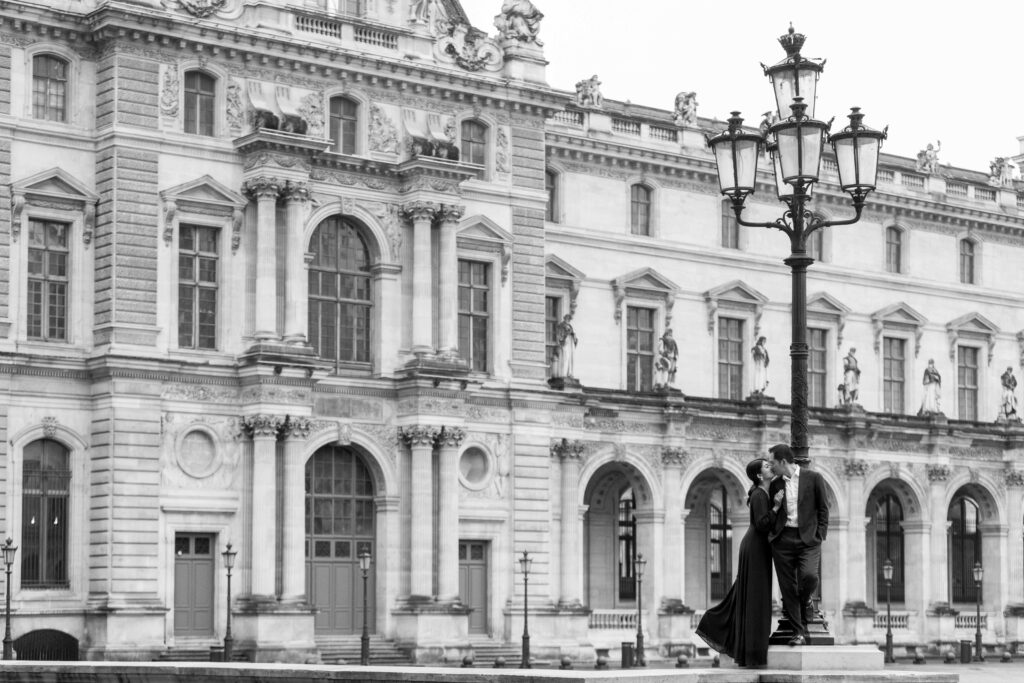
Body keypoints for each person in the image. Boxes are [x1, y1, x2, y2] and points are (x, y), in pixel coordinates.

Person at [696, 458, 779, 668]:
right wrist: (777, 507)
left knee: (750, 594)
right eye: (767, 466)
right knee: (755, 596)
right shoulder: (760, 494)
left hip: (757, 547)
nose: (771, 467)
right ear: (760, 475)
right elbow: (761, 524)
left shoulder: (762, 492)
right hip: (755, 547)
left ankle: (747, 646)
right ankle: (750, 650)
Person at [767, 443, 829, 646]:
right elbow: (772, 511)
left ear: (783, 461)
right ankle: (798, 632)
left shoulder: (814, 478)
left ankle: (806, 600)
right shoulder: (775, 484)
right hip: (783, 539)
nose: (770, 466)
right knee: (787, 587)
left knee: (810, 576)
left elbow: (823, 509)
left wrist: (819, 535)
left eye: (772, 463)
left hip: (808, 540)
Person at [553, 314, 577, 379]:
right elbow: (559, 336)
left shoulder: (570, 326)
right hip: (565, 343)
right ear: (565, 318)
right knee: (565, 358)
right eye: (568, 318)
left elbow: (573, 335)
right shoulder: (561, 326)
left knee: (570, 358)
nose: (568, 320)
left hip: (570, 343)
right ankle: (563, 373)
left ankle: (570, 373)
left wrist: (574, 336)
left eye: (569, 319)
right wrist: (566, 334)